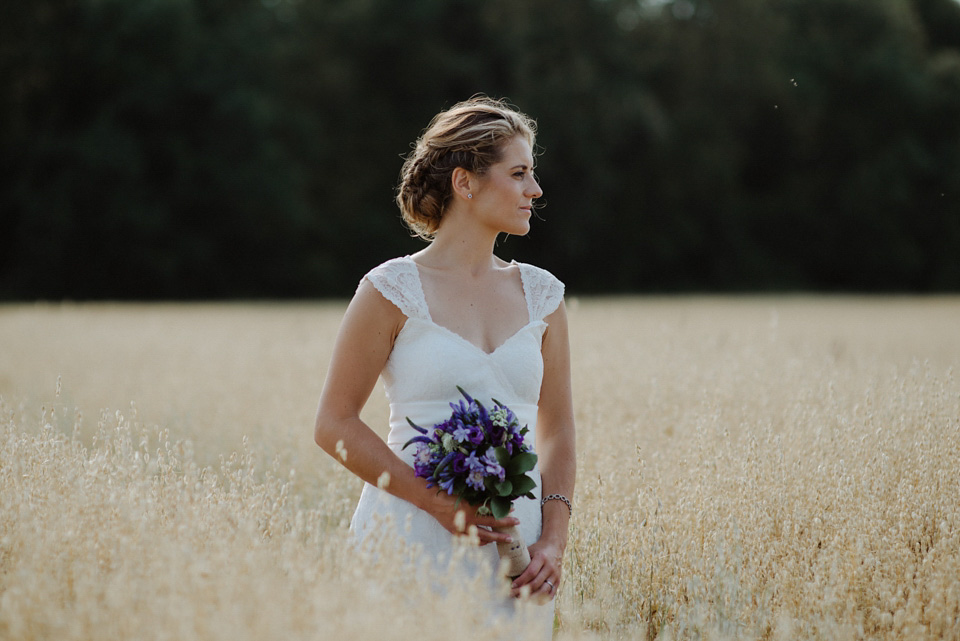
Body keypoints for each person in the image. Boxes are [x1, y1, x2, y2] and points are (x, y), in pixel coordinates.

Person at [313, 96, 576, 632]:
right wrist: (436, 505)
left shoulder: (543, 295)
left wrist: (552, 539)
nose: (536, 190)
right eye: (520, 173)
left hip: (515, 552)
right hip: (408, 536)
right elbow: (333, 424)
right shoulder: (389, 290)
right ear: (466, 182)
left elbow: (558, 428)